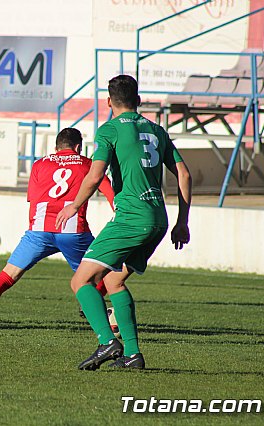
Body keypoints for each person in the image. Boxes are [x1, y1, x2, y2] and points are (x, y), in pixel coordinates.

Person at [55, 75, 192, 371]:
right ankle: (132, 354)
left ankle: (107, 341)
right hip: (158, 219)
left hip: (131, 217)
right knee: (113, 280)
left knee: (80, 280)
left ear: (108, 102)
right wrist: (183, 222)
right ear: (138, 101)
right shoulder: (157, 131)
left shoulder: (110, 130)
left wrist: (74, 205)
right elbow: (184, 174)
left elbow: (94, 175)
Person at [0, 128, 115, 333]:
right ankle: (91, 303)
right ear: (78, 147)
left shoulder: (39, 164)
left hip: (38, 232)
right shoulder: (89, 165)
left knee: (5, 278)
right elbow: (110, 194)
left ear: (56, 147)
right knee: (110, 271)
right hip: (74, 232)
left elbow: (33, 200)